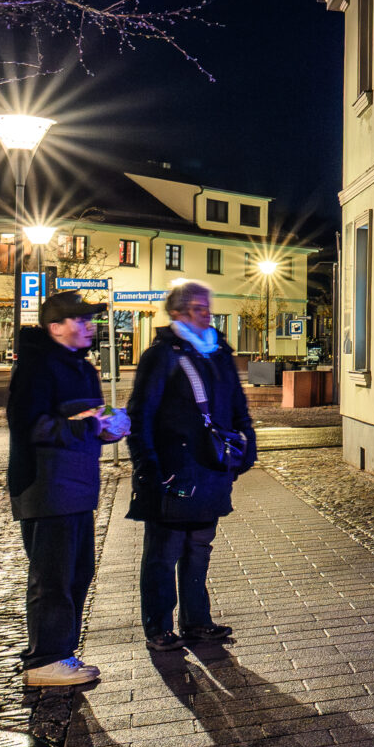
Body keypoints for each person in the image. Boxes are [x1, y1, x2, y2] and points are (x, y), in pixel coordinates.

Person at [125, 279, 255, 652]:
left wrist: (248, 443)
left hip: (211, 469)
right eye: (199, 309)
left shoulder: (218, 353)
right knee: (164, 552)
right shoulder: (162, 355)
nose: (207, 315)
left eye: (208, 308)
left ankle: (197, 621)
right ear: (178, 313)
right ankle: (159, 627)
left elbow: (237, 405)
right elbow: (140, 415)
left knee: (200, 547)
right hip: (173, 470)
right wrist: (149, 466)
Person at [7, 289, 128, 687]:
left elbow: (90, 419)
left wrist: (112, 426)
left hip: (78, 486)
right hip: (46, 486)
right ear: (55, 327)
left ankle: (64, 654)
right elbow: (31, 426)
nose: (90, 325)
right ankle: (44, 660)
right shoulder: (37, 366)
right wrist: (92, 425)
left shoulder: (82, 367)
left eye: (91, 319)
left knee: (78, 572)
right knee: (53, 577)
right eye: (81, 319)